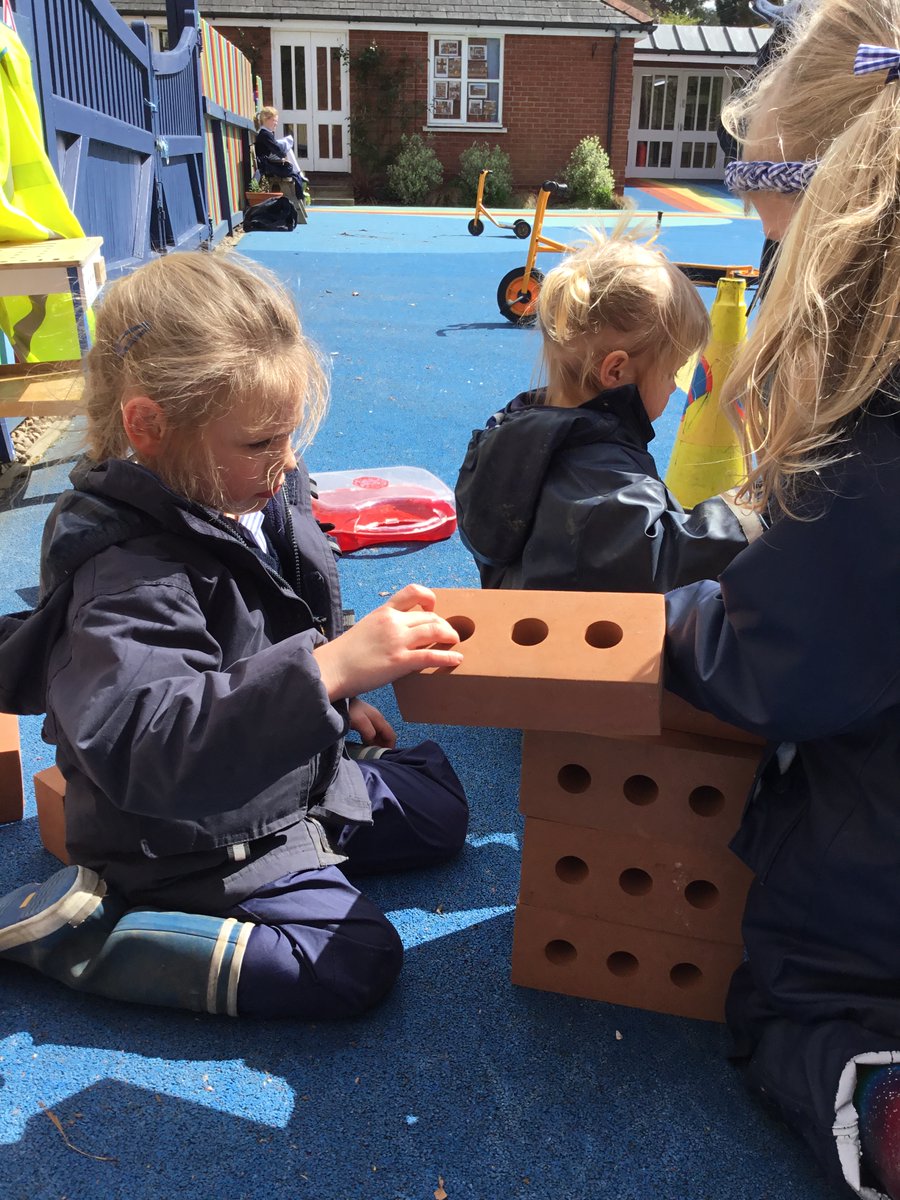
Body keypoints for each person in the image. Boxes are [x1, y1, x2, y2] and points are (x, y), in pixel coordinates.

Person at [0, 252, 469, 1020]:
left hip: (280, 776)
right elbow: (151, 747)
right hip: (185, 835)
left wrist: (338, 704)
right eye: (261, 442)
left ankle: (320, 815)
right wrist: (326, 675)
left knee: (442, 805)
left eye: (289, 436)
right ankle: (95, 933)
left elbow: (279, 609)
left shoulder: (244, 486)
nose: (286, 460)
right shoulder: (125, 576)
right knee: (353, 960)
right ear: (149, 427)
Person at [663, 2, 900, 1195]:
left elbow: (769, 670)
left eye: (772, 243)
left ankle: (880, 1094)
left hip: (880, 891)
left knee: (790, 997)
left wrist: (692, 614)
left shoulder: (869, 460)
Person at [454, 229, 764, 593]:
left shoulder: (518, 434)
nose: (671, 387)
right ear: (616, 371)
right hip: (571, 641)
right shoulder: (599, 483)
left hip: (526, 620)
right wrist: (753, 518)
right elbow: (664, 563)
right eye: (672, 372)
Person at [254, 107, 308, 220]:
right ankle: (299, 176)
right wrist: (283, 157)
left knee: (290, 167)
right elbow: (277, 150)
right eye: (274, 121)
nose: (276, 124)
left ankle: (298, 176)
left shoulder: (267, 133)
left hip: (268, 163)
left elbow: (276, 150)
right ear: (266, 119)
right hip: (266, 166)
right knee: (290, 167)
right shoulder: (265, 134)